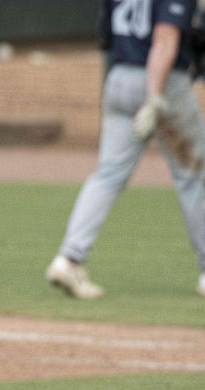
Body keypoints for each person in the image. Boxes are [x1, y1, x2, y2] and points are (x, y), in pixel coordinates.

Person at [46, 0, 205, 299]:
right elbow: (165, 41)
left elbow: (105, 37)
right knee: (194, 176)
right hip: (161, 82)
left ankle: (69, 259)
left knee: (107, 175)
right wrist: (154, 97)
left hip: (119, 78)